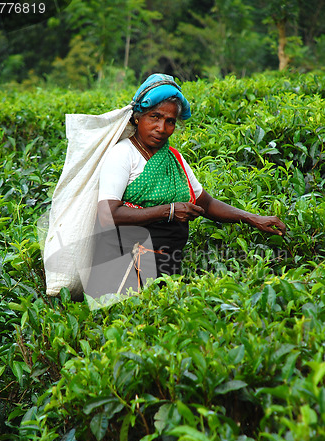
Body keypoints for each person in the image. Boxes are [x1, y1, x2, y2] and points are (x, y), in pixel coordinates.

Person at [86, 74, 286, 297]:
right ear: (136, 118)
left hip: (166, 266)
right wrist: (170, 210)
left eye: (170, 121)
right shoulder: (123, 155)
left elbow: (207, 204)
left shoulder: (174, 158)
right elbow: (108, 215)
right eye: (155, 117)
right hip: (124, 267)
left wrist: (253, 218)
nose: (161, 127)